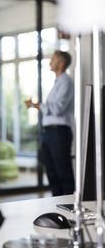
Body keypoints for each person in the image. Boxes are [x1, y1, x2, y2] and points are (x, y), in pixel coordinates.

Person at [25, 50, 74, 196]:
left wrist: (38, 105)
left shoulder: (66, 81)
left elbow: (57, 109)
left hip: (59, 132)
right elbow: (50, 110)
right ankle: (57, 203)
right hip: (50, 132)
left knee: (62, 171)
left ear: (61, 64)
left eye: (52, 59)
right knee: (51, 171)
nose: (50, 62)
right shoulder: (57, 82)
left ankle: (68, 204)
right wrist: (35, 105)